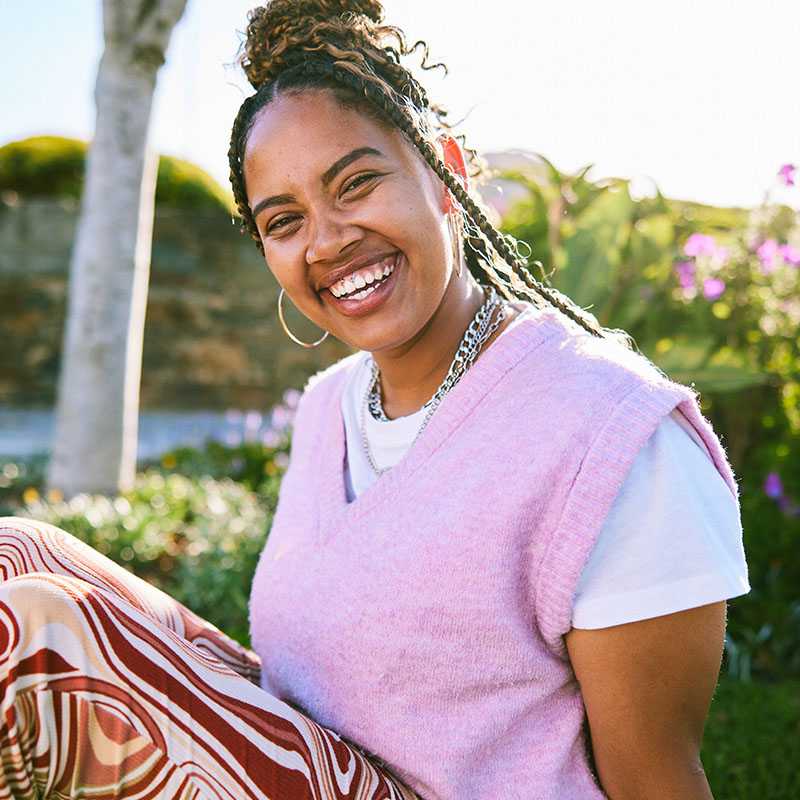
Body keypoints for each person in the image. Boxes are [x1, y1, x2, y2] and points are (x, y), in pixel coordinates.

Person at [0, 1, 748, 798]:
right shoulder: (330, 407)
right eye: (284, 220)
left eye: (355, 182)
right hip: (319, 769)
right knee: (18, 551)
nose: (325, 242)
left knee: (30, 644)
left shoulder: (611, 435)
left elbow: (657, 778)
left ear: (447, 175)